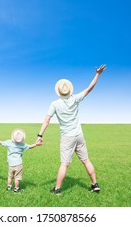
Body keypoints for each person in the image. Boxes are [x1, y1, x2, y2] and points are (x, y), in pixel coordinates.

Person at [36, 64, 107, 196]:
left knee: (64, 164)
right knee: (86, 160)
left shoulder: (55, 104)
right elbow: (89, 89)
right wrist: (98, 74)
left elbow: (47, 120)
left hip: (67, 137)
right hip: (79, 134)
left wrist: (40, 135)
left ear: (58, 91)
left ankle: (57, 189)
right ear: (69, 90)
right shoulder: (75, 99)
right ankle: (94, 184)